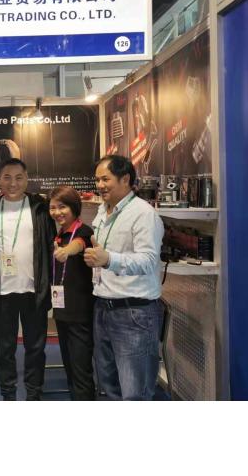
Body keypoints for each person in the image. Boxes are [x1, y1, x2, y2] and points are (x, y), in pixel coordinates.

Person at [83, 154, 164, 400]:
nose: (100, 185)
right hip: (103, 308)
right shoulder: (102, 211)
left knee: (134, 392)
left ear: (125, 179)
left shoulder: (143, 214)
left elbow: (148, 261)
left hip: (134, 313)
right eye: (97, 180)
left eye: (105, 179)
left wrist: (109, 259)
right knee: (109, 387)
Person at [0, 159, 53, 400]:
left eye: (18, 177)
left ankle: (34, 394)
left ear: (26, 179)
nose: (12, 183)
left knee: (35, 348)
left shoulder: (41, 207)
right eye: (7, 177)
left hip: (34, 291)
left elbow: (59, 234)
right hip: (2, 292)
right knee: (4, 350)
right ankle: (8, 394)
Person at [48, 186, 95, 401]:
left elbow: (79, 245)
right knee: (69, 365)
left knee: (81, 369)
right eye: (53, 208)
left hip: (79, 313)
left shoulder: (84, 231)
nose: (57, 212)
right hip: (62, 311)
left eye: (62, 207)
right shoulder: (60, 234)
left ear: (74, 207)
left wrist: (66, 252)